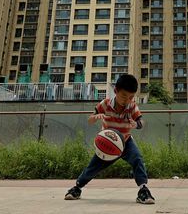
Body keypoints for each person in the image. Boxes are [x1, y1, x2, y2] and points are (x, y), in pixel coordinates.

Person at [65, 73, 155, 204]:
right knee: (93, 167)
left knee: (137, 159)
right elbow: (90, 118)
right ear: (116, 91)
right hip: (108, 143)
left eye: (131, 97)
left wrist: (137, 124)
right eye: (124, 96)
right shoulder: (105, 104)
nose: (127, 100)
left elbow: (141, 121)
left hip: (126, 142)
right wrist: (95, 117)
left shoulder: (132, 106)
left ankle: (143, 190)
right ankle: (77, 188)